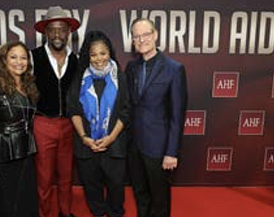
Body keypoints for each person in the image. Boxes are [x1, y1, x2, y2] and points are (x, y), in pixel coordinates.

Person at [125, 18, 188, 217]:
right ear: (133, 40)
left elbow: (178, 114)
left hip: (159, 148)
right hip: (134, 146)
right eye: (136, 36)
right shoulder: (131, 67)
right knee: (140, 194)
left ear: (155, 35)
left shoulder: (174, 69)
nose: (141, 39)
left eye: (145, 34)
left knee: (159, 200)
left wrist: (172, 152)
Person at [66, 30, 130, 217]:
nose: (99, 58)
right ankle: (98, 213)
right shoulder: (80, 78)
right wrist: (84, 137)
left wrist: (110, 138)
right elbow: (73, 110)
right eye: (93, 54)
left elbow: (126, 112)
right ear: (87, 55)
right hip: (86, 145)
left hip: (114, 143)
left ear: (110, 52)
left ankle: (115, 213)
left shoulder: (121, 77)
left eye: (103, 53)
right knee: (92, 187)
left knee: (116, 187)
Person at [0, 41, 39, 217]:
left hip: (25, 154)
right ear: (4, 60)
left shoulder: (29, 87)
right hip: (1, 158)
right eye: (13, 57)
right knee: (2, 206)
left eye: (23, 57)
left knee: (24, 204)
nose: (19, 61)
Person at [32, 6, 80, 217]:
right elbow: (10, 80)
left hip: (69, 125)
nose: (58, 34)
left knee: (66, 175)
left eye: (62, 29)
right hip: (43, 124)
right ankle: (44, 213)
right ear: (46, 32)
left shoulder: (77, 60)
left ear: (69, 32)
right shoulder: (32, 57)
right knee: (44, 177)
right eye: (53, 29)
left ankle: (65, 212)